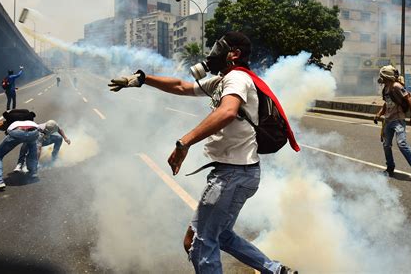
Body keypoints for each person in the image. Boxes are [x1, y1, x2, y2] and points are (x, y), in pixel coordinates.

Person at [108, 32, 298, 274]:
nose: (212, 52)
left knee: (201, 244)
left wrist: (184, 142)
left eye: (219, 47)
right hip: (239, 174)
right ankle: (277, 271)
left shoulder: (237, 79)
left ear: (234, 54)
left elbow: (228, 112)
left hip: (232, 176)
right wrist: (143, 79)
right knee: (217, 237)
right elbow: (181, 86)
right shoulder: (222, 82)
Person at [374, 65, 411, 183]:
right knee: (386, 144)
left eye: (383, 76)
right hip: (388, 121)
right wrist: (378, 114)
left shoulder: (397, 86)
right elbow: (386, 104)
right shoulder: (386, 88)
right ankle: (390, 167)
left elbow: (408, 99)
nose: (381, 79)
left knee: (401, 143)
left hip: (398, 120)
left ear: (387, 76)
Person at [0, 109, 39, 191]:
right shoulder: (29, 121)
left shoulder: (10, 121)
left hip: (17, 133)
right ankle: (33, 172)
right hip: (34, 132)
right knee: (32, 151)